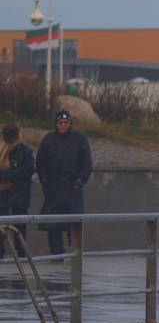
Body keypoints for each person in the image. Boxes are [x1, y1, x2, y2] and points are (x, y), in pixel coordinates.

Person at [35, 109, 91, 256]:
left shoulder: (80, 139)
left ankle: (76, 253)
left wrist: (80, 181)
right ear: (56, 124)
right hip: (54, 189)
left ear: (70, 123)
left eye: (66, 122)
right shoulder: (48, 139)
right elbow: (40, 162)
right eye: (60, 122)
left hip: (72, 188)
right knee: (53, 224)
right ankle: (56, 253)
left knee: (74, 223)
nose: (63, 125)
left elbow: (87, 163)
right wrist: (45, 180)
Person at [0, 122, 36, 253]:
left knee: (20, 227)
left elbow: (26, 171)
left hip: (20, 193)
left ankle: (21, 254)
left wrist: (4, 175)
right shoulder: (1, 150)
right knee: (1, 226)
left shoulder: (25, 151)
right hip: (3, 194)